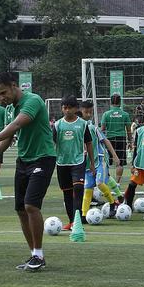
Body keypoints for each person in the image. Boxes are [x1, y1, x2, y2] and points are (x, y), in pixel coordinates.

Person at [0, 72, 57, 271]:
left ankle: (38, 255)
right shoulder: (10, 109)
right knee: (20, 210)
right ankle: (34, 255)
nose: (1, 98)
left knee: (31, 205)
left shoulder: (33, 100)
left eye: (3, 92)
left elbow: (18, 124)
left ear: (14, 85)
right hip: (24, 160)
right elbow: (9, 137)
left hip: (43, 158)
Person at [52, 96, 95, 230]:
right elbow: (52, 143)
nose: (67, 110)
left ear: (76, 108)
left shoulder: (82, 124)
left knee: (78, 188)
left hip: (78, 161)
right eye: (64, 108)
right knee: (67, 192)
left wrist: (92, 163)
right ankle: (71, 221)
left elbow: (89, 143)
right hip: (62, 162)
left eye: (70, 108)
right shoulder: (57, 125)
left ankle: (78, 220)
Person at [78, 100, 125, 217]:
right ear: (80, 112)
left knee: (99, 183)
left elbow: (105, 141)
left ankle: (112, 203)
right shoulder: (77, 128)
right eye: (86, 112)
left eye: (90, 112)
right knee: (88, 189)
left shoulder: (93, 128)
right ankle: (83, 215)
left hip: (100, 159)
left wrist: (115, 156)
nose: (89, 115)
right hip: (87, 163)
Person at [100, 94, 131, 185]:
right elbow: (129, 130)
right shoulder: (125, 114)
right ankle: (117, 183)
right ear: (120, 102)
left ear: (110, 102)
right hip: (121, 139)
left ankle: (107, 181)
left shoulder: (106, 114)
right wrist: (130, 141)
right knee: (120, 162)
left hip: (109, 140)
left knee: (107, 162)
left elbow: (102, 129)